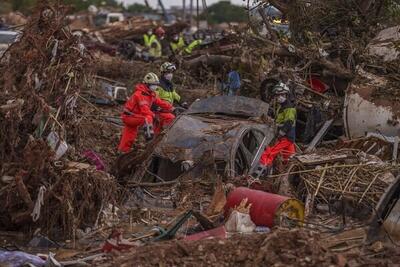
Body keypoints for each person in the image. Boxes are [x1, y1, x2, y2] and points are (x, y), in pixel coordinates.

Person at [118, 73, 175, 153]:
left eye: (156, 84)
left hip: (134, 116)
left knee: (129, 136)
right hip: (129, 116)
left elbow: (160, 102)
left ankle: (122, 151)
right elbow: (145, 111)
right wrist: (154, 115)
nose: (155, 86)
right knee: (147, 118)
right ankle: (150, 141)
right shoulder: (141, 94)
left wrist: (172, 108)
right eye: (153, 84)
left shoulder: (151, 94)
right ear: (147, 84)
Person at [253, 82, 296, 177]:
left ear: (286, 95)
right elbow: (278, 121)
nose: (279, 97)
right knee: (289, 158)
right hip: (289, 138)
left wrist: (280, 133)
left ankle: (259, 175)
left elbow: (289, 122)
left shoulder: (289, 108)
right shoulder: (281, 107)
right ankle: (286, 176)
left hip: (286, 137)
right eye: (277, 95)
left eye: (281, 95)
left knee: (269, 153)